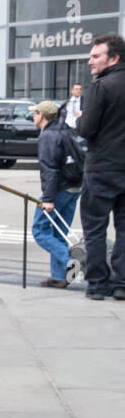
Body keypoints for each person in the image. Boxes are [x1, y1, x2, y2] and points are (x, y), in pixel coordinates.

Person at [77, 33, 125, 301]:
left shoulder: (100, 87)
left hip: (102, 168)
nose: (90, 61)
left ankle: (96, 285)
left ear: (114, 58)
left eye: (96, 56)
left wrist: (80, 119)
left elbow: (86, 130)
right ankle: (122, 284)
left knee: (95, 229)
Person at [31, 100, 83, 289]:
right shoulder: (66, 130)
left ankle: (70, 261)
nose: (33, 116)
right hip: (74, 187)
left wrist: (48, 199)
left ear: (42, 115)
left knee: (40, 231)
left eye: (35, 113)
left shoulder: (48, 136)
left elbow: (50, 169)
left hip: (58, 189)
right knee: (59, 232)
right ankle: (60, 276)